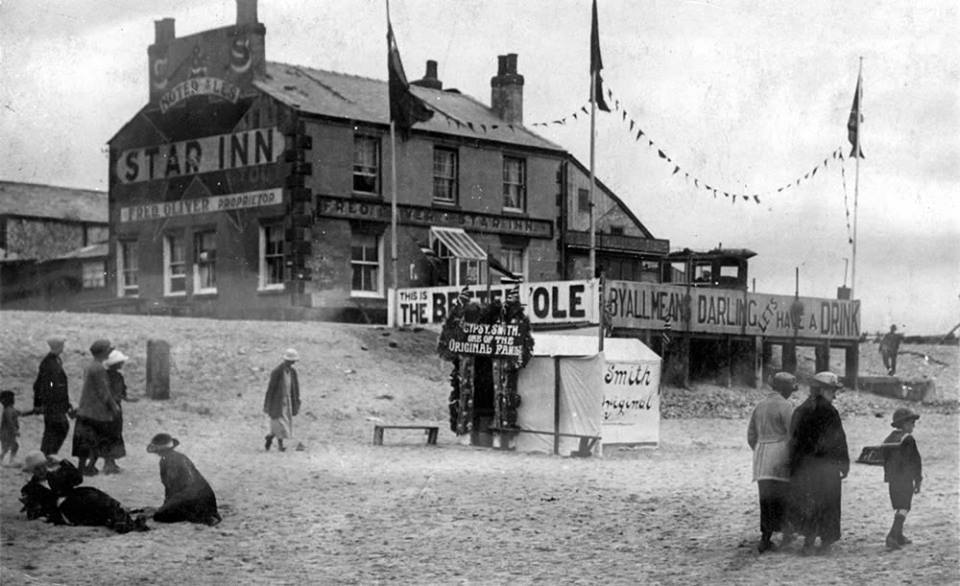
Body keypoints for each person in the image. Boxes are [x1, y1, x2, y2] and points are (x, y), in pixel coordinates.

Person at [788, 371, 850, 555]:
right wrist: (844, 463)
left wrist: (794, 466)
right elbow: (839, 439)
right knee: (829, 504)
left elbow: (794, 440)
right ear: (822, 390)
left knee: (809, 502)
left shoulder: (801, 410)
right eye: (832, 390)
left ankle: (808, 541)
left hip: (805, 467)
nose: (835, 395)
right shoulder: (830, 412)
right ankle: (825, 543)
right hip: (827, 467)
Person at [19, 451, 148, 533]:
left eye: (43, 466)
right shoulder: (30, 488)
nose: (42, 470)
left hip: (77, 498)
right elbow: (34, 511)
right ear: (32, 471)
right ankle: (124, 522)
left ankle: (125, 521)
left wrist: (63, 463)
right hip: (64, 510)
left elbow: (78, 478)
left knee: (93, 495)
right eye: (37, 468)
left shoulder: (55, 475)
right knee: (93, 508)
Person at [747, 372, 798, 553]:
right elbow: (793, 433)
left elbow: (751, 435)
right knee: (783, 496)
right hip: (780, 453)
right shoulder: (786, 406)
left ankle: (765, 538)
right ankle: (786, 532)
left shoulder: (760, 406)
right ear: (785, 389)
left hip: (761, 455)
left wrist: (759, 448)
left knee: (766, 498)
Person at [145, 433, 221, 525]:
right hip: (200, 497)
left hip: (193, 498)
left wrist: (167, 505)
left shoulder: (171, 461)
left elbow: (179, 488)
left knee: (160, 516)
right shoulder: (173, 458)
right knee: (161, 514)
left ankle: (201, 517)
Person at [72, 339, 120, 476]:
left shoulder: (89, 366)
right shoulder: (99, 369)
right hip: (97, 412)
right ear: (104, 352)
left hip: (85, 409)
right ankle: (90, 466)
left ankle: (81, 467)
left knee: (84, 441)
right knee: (99, 441)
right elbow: (104, 392)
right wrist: (113, 406)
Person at [881, 408, 923, 550]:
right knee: (904, 507)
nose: (913, 425)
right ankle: (892, 536)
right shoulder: (908, 439)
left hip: (893, 480)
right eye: (912, 422)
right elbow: (916, 461)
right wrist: (918, 479)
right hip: (905, 479)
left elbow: (885, 459)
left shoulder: (890, 439)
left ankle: (899, 535)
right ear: (904, 424)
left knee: (899, 506)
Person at [33, 337, 74, 456]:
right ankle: (48, 454)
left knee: (55, 429)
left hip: (55, 402)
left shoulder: (53, 361)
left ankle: (47, 454)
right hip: (53, 403)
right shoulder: (50, 363)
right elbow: (49, 384)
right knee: (58, 428)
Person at [263, 348, 303, 452]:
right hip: (277, 402)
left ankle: (270, 437)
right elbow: (271, 389)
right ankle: (280, 445)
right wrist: (268, 404)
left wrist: (296, 401)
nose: (293, 362)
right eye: (291, 360)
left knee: (284, 423)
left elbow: (295, 388)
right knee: (279, 423)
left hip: (287, 401)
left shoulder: (292, 372)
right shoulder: (277, 372)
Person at [101, 349, 131, 474]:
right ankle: (108, 463)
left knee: (114, 434)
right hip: (111, 409)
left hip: (113, 409)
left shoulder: (113, 376)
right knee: (110, 435)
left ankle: (111, 462)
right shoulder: (113, 377)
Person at [2, 390, 35, 466]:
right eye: (12, 398)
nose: (13, 400)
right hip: (6, 433)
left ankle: (8, 460)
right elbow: (10, 422)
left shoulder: (11, 409)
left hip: (8, 433)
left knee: (11, 447)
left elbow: (21, 414)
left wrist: (32, 412)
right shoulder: (8, 411)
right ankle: (7, 460)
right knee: (9, 447)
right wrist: (14, 431)